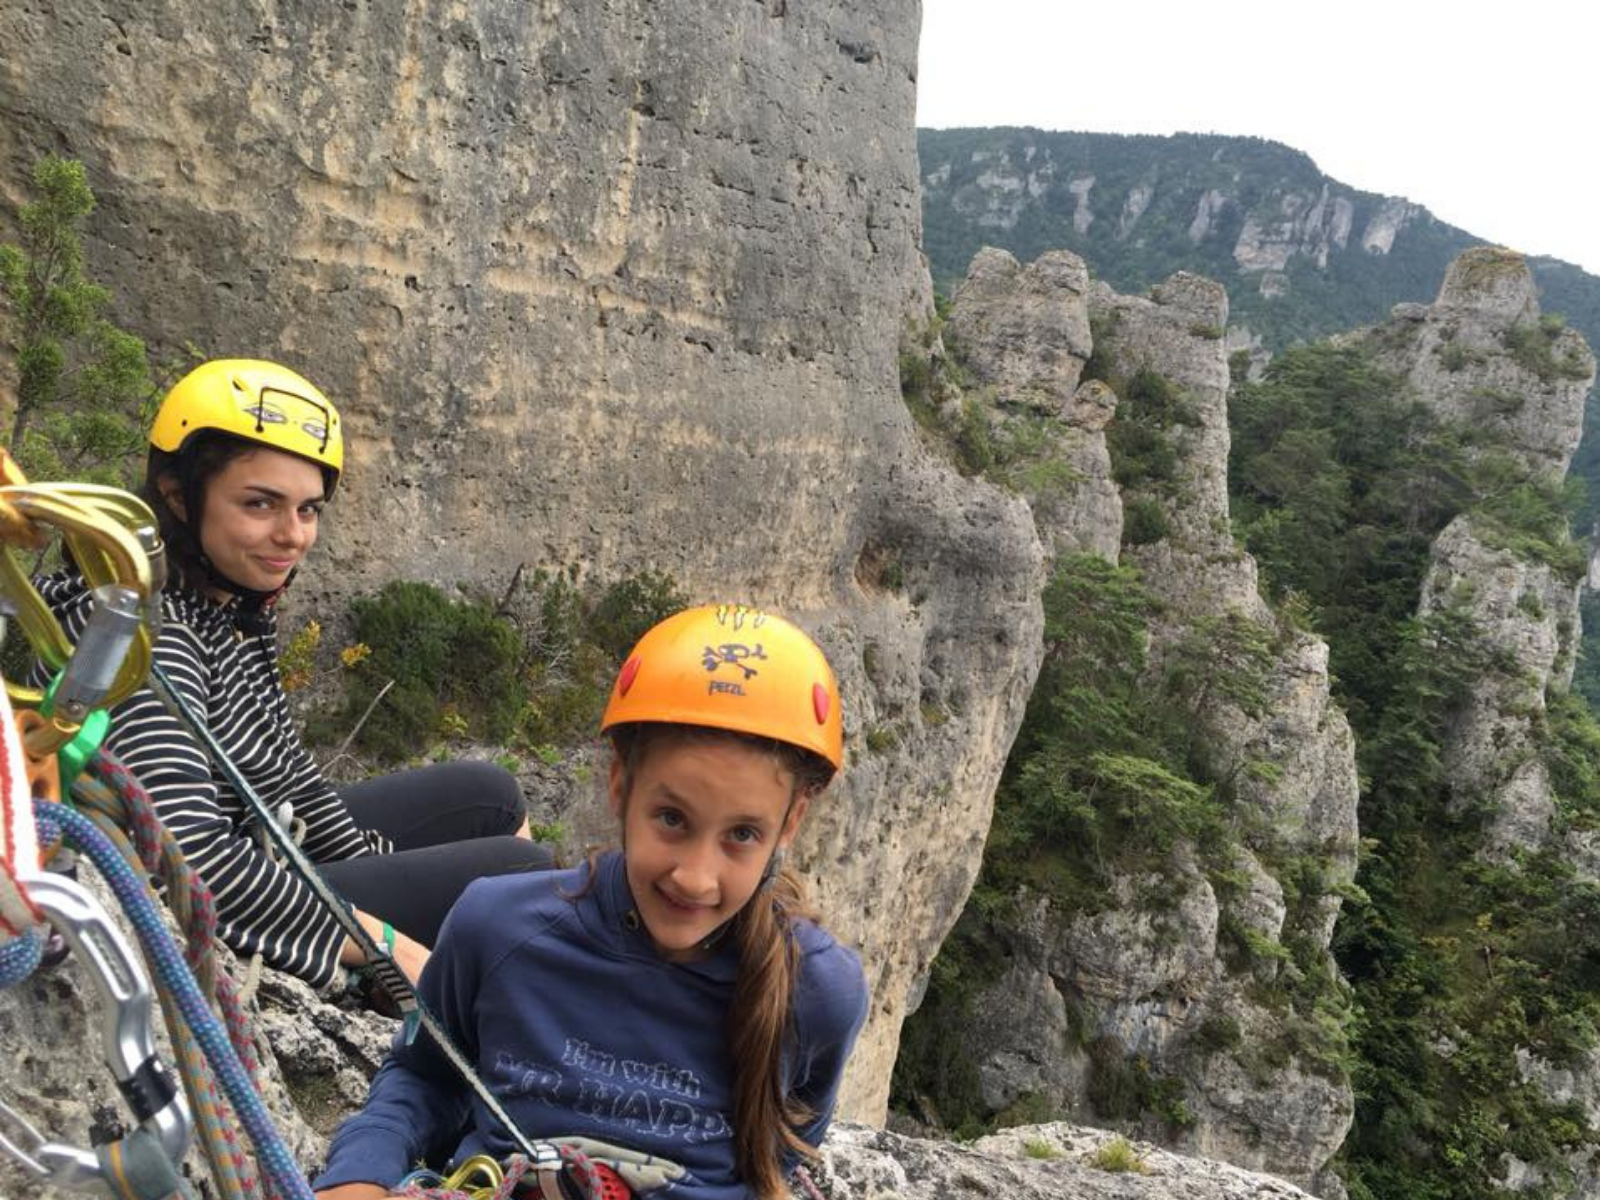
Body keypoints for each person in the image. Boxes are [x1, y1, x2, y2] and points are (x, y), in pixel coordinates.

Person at [313, 604, 869, 1200]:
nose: (696, 878)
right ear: (619, 784)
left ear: (791, 823)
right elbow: (427, 1074)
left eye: (742, 834)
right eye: (672, 818)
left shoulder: (815, 990)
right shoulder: (498, 928)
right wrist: (359, 1176)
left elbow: (780, 1158)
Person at [36, 358, 553, 990]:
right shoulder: (144, 633)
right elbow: (188, 862)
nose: (291, 536)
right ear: (177, 495)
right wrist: (379, 939)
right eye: (260, 504)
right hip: (221, 864)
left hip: (256, 839)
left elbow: (288, 777)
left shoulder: (225, 607)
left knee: (489, 793)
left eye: (308, 510)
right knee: (519, 870)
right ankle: (497, 1016)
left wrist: (383, 872)